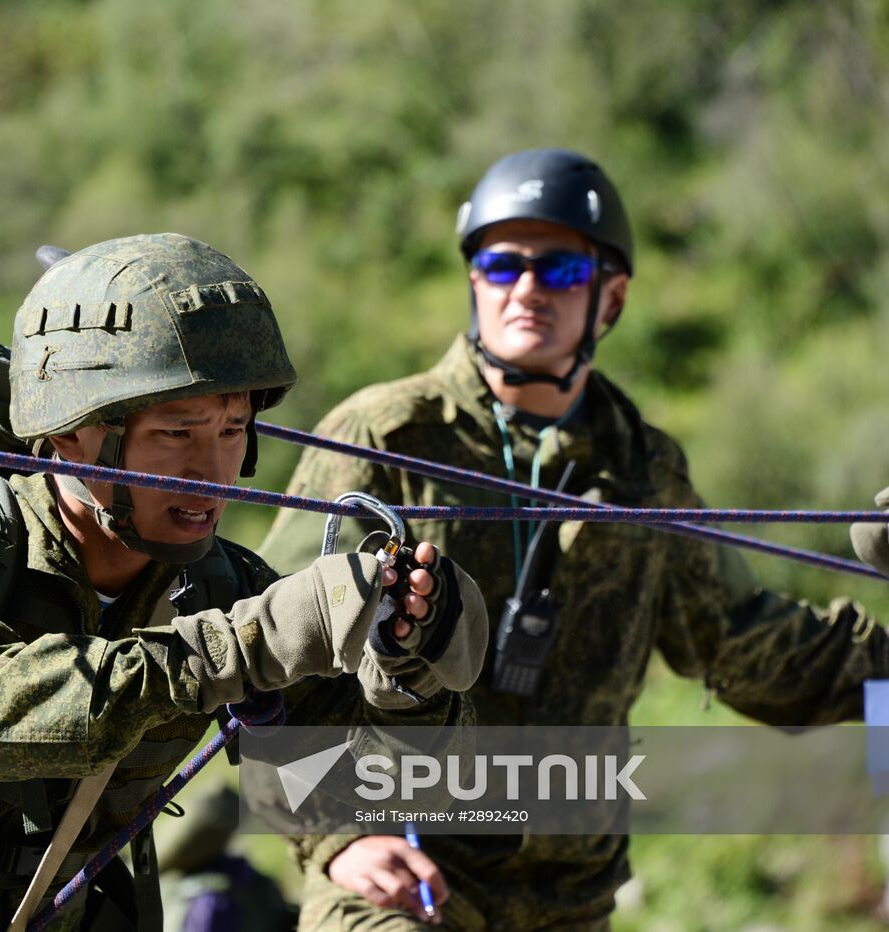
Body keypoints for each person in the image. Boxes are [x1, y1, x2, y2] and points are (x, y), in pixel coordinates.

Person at [259, 149, 889, 930]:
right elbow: (273, 657)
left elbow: (747, 646)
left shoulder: (644, 470)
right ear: (474, 283)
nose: (525, 288)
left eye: (558, 269)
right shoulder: (384, 436)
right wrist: (337, 837)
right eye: (500, 264)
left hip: (570, 900)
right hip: (401, 879)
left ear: (611, 296)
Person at [0, 232, 488, 930]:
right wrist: (243, 649)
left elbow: (354, 786)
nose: (212, 470)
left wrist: (410, 675)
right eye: (176, 433)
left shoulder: (219, 583)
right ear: (72, 433)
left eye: (232, 430)